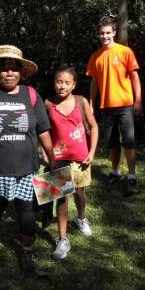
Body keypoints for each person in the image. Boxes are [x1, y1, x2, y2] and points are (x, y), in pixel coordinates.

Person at [0, 45, 55, 273]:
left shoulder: (31, 95)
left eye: (14, 68)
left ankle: (26, 249)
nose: (9, 73)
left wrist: (51, 157)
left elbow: (44, 129)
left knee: (26, 209)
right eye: (4, 68)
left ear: (21, 72)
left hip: (27, 167)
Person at [45, 66, 99, 260]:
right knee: (61, 197)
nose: (62, 86)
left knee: (79, 193)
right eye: (59, 81)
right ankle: (62, 239)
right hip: (57, 158)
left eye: (67, 82)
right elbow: (43, 131)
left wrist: (92, 153)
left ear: (74, 84)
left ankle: (81, 218)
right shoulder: (48, 103)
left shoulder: (81, 102)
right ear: (54, 82)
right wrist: (45, 152)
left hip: (81, 159)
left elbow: (93, 126)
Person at [87, 17, 142, 192]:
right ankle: (115, 171)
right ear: (98, 35)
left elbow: (135, 77)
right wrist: (91, 102)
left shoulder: (125, 51)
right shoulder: (95, 56)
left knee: (129, 141)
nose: (105, 36)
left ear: (114, 33)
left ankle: (132, 176)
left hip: (125, 104)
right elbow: (94, 82)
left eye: (108, 33)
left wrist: (138, 100)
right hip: (106, 106)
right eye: (102, 33)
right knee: (111, 142)